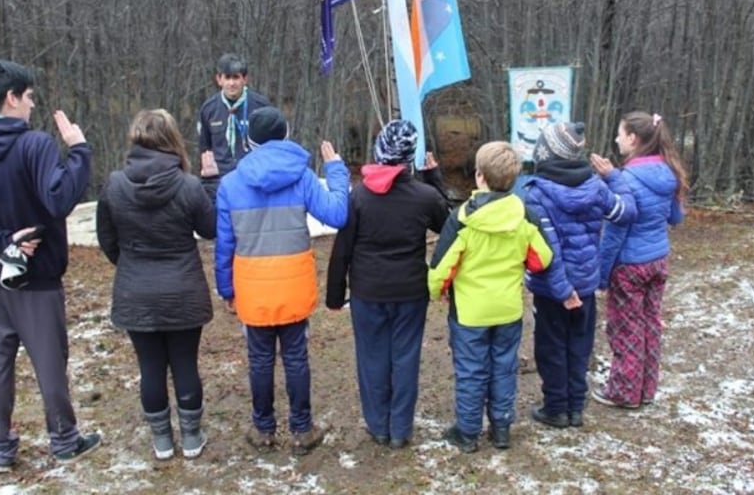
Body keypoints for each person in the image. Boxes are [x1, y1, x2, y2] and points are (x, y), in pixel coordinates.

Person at [0, 59, 101, 472]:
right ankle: (64, 439)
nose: (31, 106)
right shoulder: (36, 145)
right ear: (11, 98)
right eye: (28, 97)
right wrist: (79, 150)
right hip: (37, 280)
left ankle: (1, 449)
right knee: (49, 363)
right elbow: (59, 199)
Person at [214, 106, 348, 455]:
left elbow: (225, 244)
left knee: (259, 359)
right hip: (294, 284)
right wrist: (335, 170)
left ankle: (263, 429)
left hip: (252, 286)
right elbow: (337, 214)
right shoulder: (302, 177)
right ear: (286, 133)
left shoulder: (230, 184)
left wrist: (226, 289)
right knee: (296, 358)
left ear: (249, 140)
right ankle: (302, 430)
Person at [95, 109, 216, 460]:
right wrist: (209, 183)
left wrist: (132, 265)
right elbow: (211, 229)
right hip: (183, 289)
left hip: (136, 290)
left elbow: (107, 239)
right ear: (172, 140)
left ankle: (162, 440)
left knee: (149, 367)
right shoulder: (188, 185)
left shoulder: (115, 184)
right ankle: (191, 437)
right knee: (185, 363)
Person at [326, 120, 449, 450]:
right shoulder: (425, 196)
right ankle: (399, 429)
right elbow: (451, 228)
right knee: (405, 358)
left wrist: (335, 295)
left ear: (380, 151)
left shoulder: (360, 196)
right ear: (410, 155)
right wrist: (433, 179)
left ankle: (379, 425)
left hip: (369, 292)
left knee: (372, 358)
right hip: (409, 292)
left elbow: (343, 249)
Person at [428, 141, 553, 453]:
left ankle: (468, 432)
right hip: (508, 311)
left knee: (471, 372)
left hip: (470, 314)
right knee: (504, 368)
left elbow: (438, 273)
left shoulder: (462, 219)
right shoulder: (525, 215)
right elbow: (543, 258)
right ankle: (501, 429)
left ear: (479, 176)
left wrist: (440, 291)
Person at [522, 122, 635, 429]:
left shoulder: (536, 193)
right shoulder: (597, 186)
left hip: (551, 289)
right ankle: (575, 407)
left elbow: (549, 248)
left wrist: (561, 290)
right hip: (584, 284)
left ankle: (558, 408)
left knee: (551, 347)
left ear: (544, 154)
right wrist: (614, 179)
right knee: (579, 345)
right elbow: (625, 211)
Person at [589, 111, 688, 409]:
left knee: (626, 328)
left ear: (633, 138)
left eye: (620, 133)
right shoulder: (669, 172)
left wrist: (602, 276)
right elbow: (675, 216)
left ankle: (624, 392)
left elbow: (614, 236)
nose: (617, 139)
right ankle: (646, 389)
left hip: (630, 265)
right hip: (658, 260)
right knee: (650, 325)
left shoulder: (626, 180)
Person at [196, 53, 271, 201]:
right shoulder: (208, 109)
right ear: (219, 79)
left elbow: (270, 149)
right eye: (227, 78)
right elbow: (205, 150)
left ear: (245, 79)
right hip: (220, 185)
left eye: (236, 77)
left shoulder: (261, 107)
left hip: (253, 183)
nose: (231, 83)